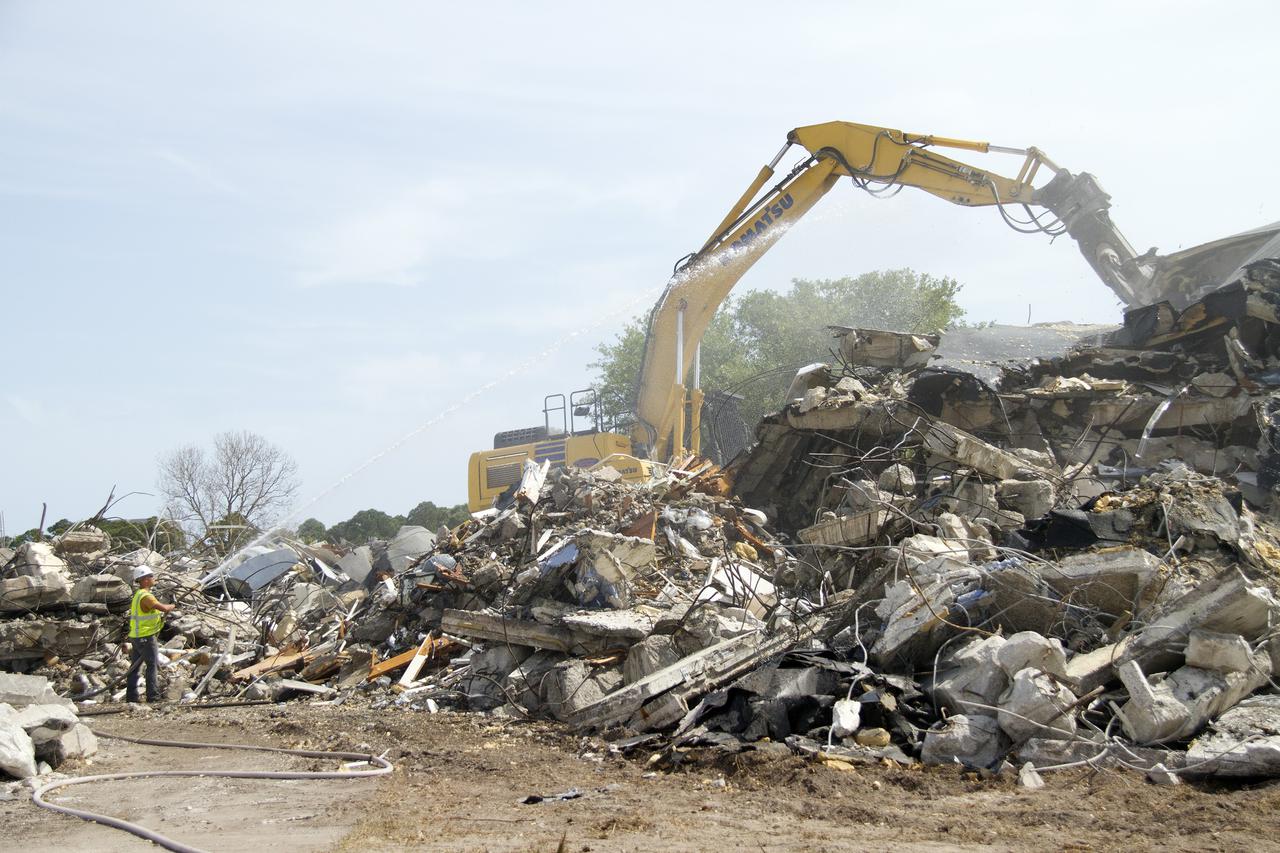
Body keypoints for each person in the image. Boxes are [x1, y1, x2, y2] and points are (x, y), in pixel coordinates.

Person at [125, 566, 176, 704]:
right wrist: (172, 606)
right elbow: (163, 608)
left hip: (136, 636)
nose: (154, 579)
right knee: (152, 665)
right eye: (152, 576)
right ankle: (153, 697)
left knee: (135, 667)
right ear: (145, 580)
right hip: (145, 637)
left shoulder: (138, 594)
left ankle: (131, 697)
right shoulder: (146, 596)